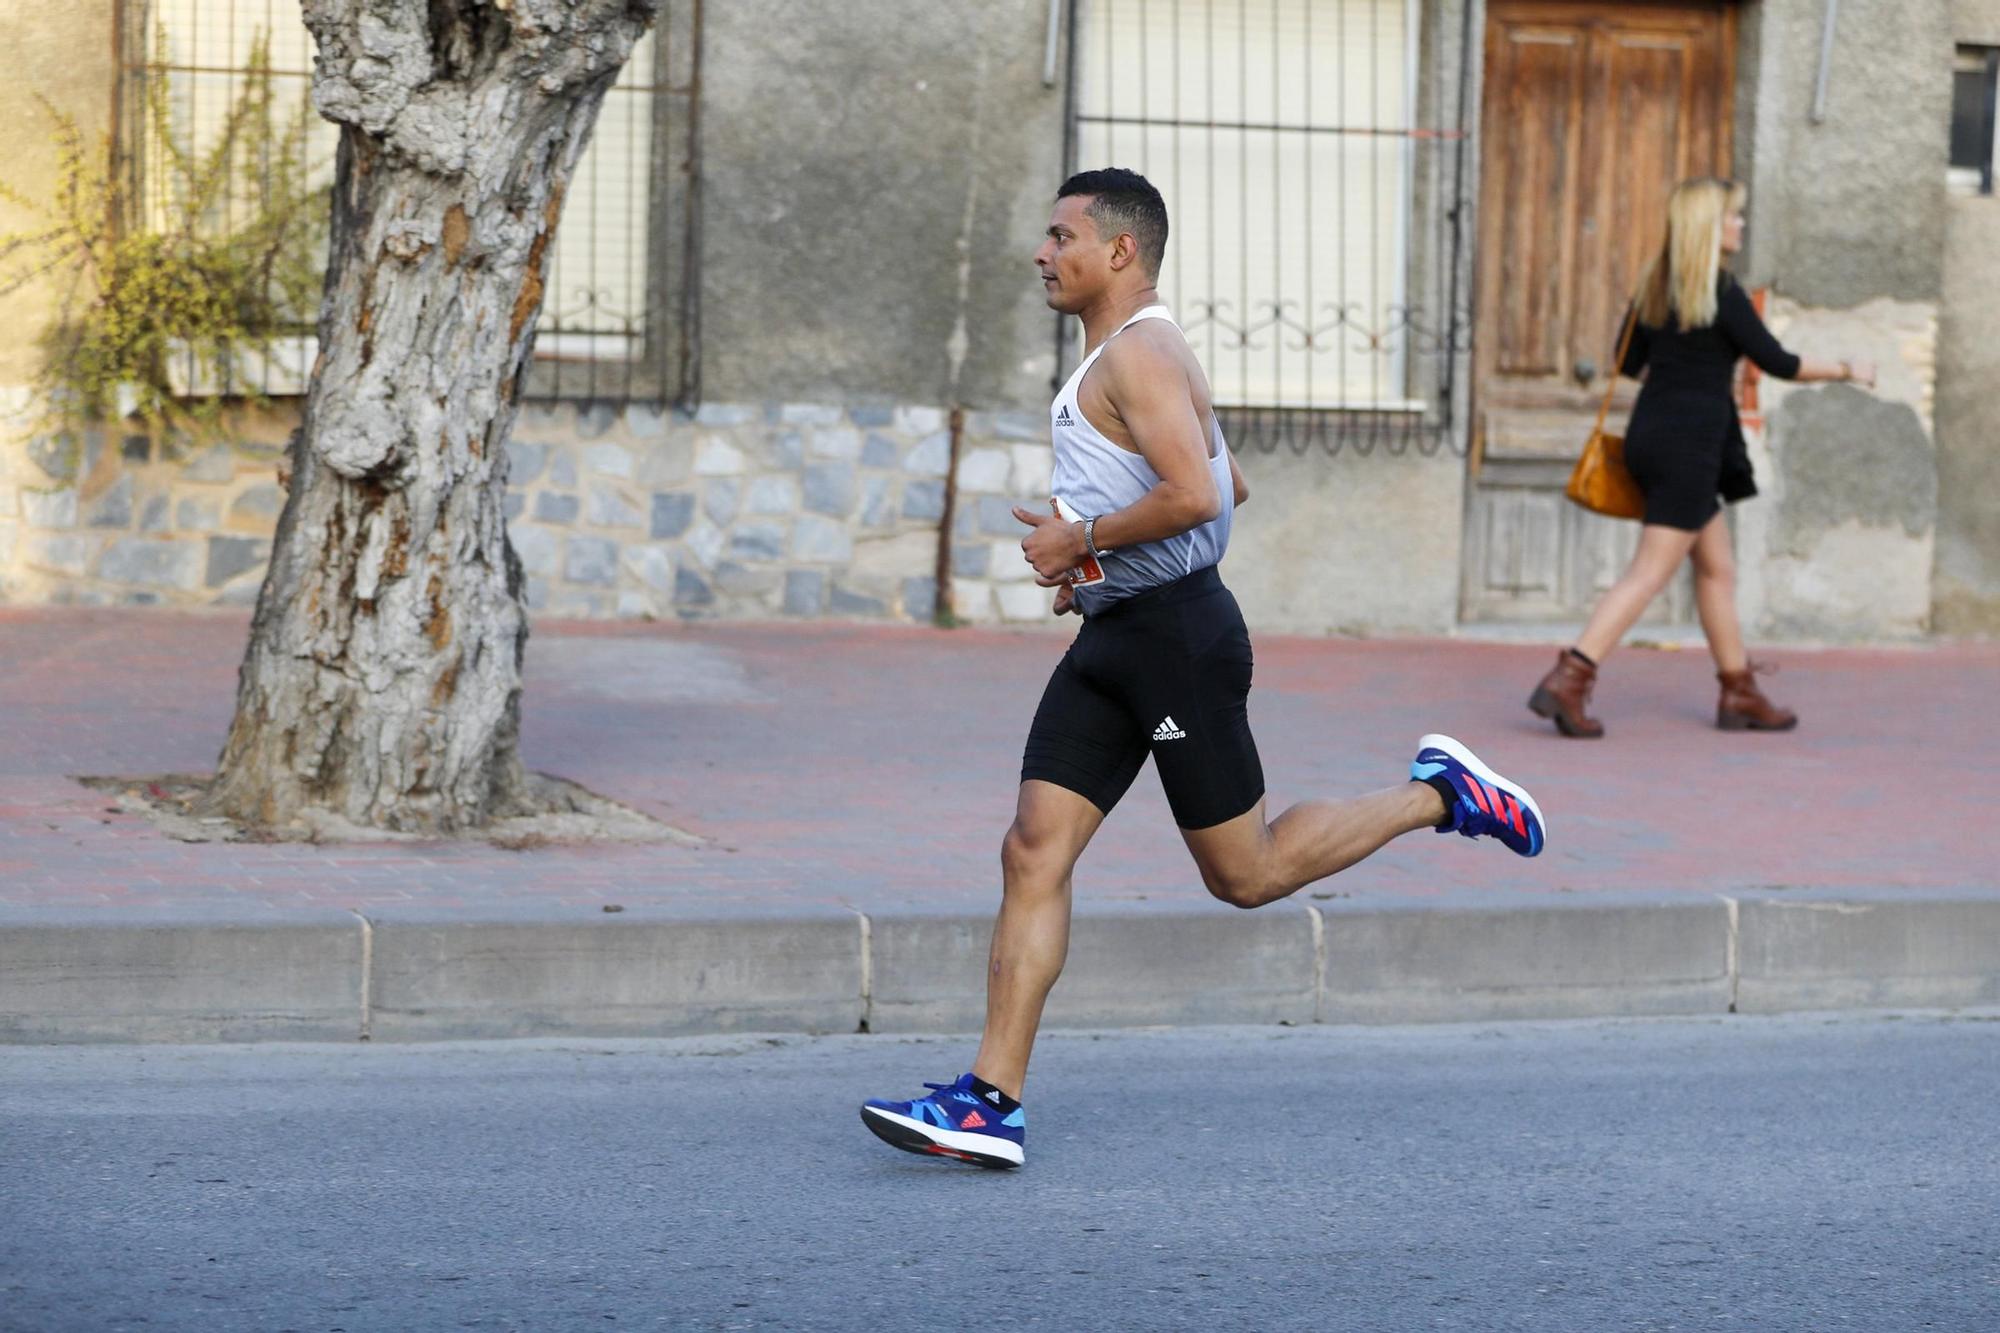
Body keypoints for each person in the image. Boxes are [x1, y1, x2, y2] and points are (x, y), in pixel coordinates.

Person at [859, 168, 1546, 1170]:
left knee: (1245, 871)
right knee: (1030, 850)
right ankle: (989, 1102)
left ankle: (1439, 795)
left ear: (1119, 251)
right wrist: (1095, 563)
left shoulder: (1137, 354)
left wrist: (1080, 535)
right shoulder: (1135, 353)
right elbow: (1233, 481)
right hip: (1117, 634)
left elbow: (1196, 494)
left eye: (1060, 236)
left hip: (1176, 640)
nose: (1042, 254)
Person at [1528, 176, 1876, 738]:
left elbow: (1628, 359)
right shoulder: (1720, 292)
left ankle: (1739, 692)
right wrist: (1847, 369)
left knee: (1717, 568)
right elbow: (1778, 361)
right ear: (1710, 229)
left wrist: (1685, 368)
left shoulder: (1655, 289)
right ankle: (1568, 679)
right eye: (1733, 217)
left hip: (1654, 434)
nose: (1740, 225)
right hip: (1690, 446)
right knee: (1648, 573)